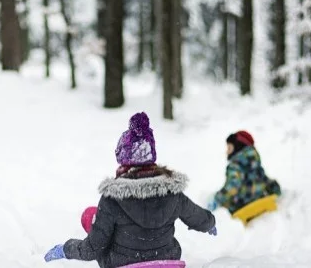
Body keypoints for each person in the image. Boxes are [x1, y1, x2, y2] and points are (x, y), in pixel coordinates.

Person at [44, 112, 216, 268]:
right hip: (166, 261)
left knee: (91, 216)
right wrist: (210, 224)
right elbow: (199, 217)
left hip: (123, 264)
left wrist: (66, 249)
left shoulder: (112, 199)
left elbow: (93, 249)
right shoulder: (172, 193)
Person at [207, 131, 281, 214]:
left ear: (238, 147)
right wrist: (274, 189)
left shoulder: (235, 165)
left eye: (229, 148)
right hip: (260, 199)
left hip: (241, 206)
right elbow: (264, 179)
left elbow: (233, 186)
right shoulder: (255, 163)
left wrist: (217, 199)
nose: (227, 152)